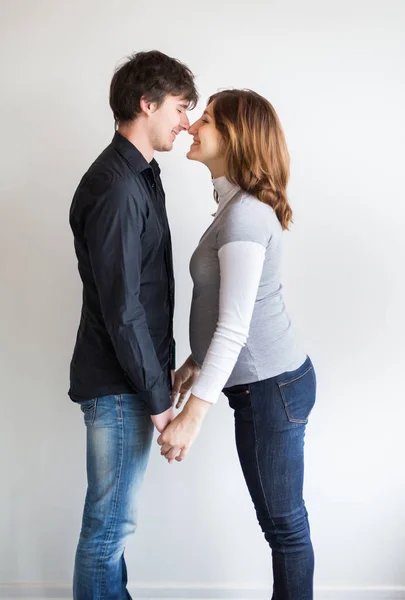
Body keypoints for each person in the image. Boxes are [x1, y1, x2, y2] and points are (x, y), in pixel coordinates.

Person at [158, 89, 317, 600]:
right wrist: (194, 363)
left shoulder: (245, 216)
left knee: (285, 528)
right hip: (262, 387)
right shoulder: (233, 208)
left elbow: (236, 327)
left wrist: (192, 416)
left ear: (235, 137)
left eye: (205, 118)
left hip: (273, 389)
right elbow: (225, 311)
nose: (190, 126)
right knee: (279, 524)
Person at [68, 50, 198, 600]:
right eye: (180, 107)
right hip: (121, 386)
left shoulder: (138, 175)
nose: (187, 122)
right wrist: (160, 402)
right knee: (108, 531)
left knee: (111, 529)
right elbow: (123, 309)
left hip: (130, 380)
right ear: (147, 104)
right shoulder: (119, 186)